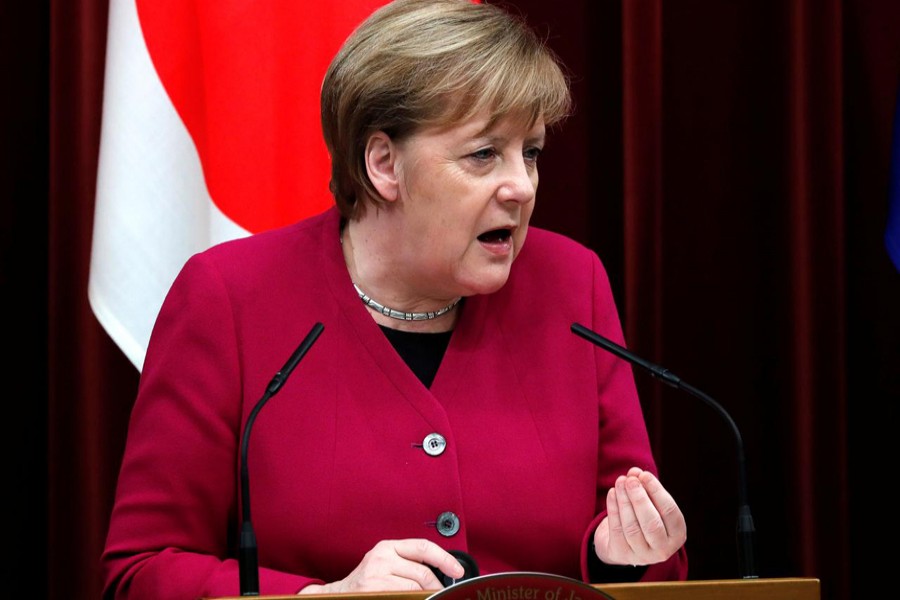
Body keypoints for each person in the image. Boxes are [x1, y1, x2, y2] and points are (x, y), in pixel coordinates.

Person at [100, 1, 688, 598]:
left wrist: (622, 556)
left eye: (530, 152)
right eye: (484, 154)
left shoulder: (572, 285)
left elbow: (649, 558)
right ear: (383, 164)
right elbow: (143, 569)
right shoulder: (230, 298)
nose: (522, 186)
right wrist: (320, 599)